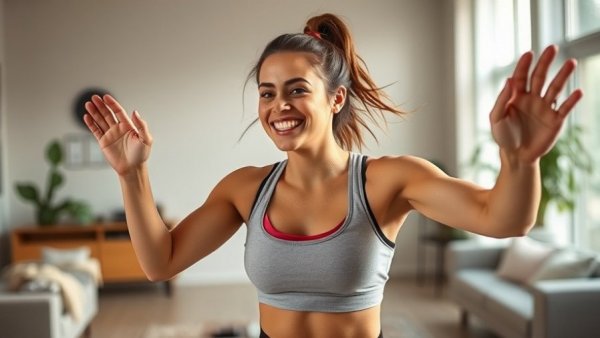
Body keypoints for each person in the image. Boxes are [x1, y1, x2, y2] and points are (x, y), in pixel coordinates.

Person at [83, 13, 582, 338]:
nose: (279, 105)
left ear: (335, 98)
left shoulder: (389, 181)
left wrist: (520, 161)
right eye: (266, 92)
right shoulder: (245, 188)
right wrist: (133, 175)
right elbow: (160, 262)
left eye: (297, 89)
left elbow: (503, 219)